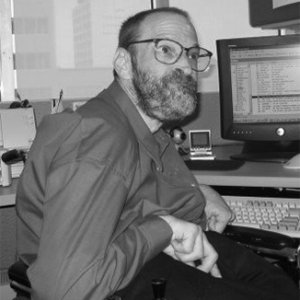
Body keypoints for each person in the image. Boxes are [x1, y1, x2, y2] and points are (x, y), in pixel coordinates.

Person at [15, 7, 299, 300]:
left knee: (278, 286)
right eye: (165, 49)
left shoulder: (144, 128)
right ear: (124, 63)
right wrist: (163, 228)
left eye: (190, 54)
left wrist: (200, 193)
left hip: (140, 245)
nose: (187, 68)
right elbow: (64, 290)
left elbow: (128, 187)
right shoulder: (98, 138)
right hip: (111, 275)